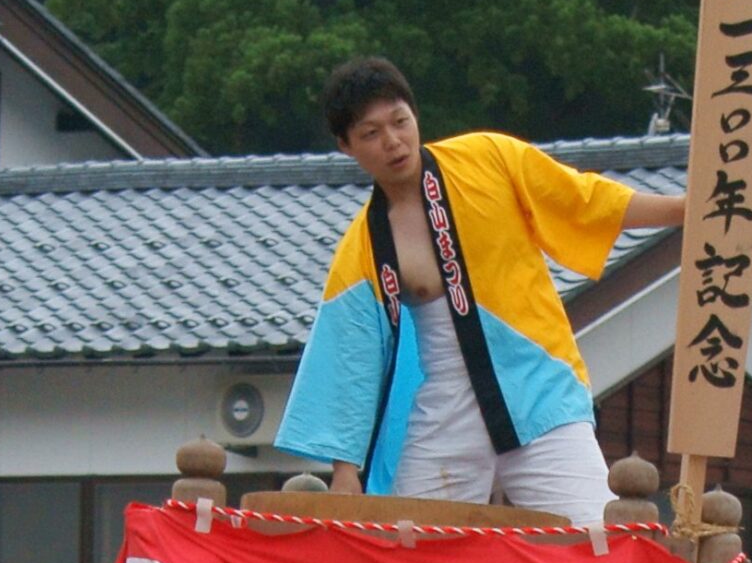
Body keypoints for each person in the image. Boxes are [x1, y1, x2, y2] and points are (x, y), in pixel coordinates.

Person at [276, 58, 685, 517]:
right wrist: (345, 470)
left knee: (596, 537)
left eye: (400, 122)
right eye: (371, 134)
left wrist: (683, 210)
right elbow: (352, 360)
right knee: (412, 553)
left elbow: (584, 200)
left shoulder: (490, 157)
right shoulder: (364, 248)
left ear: (415, 115)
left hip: (540, 388)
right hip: (447, 411)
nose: (392, 141)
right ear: (346, 146)